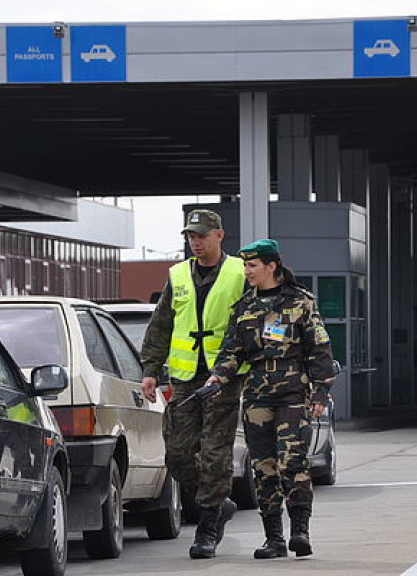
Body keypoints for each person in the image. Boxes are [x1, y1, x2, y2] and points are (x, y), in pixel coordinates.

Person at [204, 238, 337, 559]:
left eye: (252, 266)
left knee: (292, 460)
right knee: (263, 467)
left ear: (271, 266)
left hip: (293, 392)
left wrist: (320, 391)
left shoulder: (300, 302)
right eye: (246, 265)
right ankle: (274, 539)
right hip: (256, 394)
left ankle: (300, 532)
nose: (247, 272)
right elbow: (231, 351)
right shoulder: (245, 307)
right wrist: (217, 378)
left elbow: (319, 349)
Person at [140, 208, 248, 559]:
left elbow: (254, 321)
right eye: (191, 236)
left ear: (219, 235)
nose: (195, 242)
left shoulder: (238, 272)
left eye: (202, 235)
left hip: (224, 376)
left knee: (216, 454)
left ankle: (208, 526)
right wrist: (151, 369)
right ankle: (219, 502)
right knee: (177, 455)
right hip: (186, 378)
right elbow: (161, 325)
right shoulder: (178, 275)